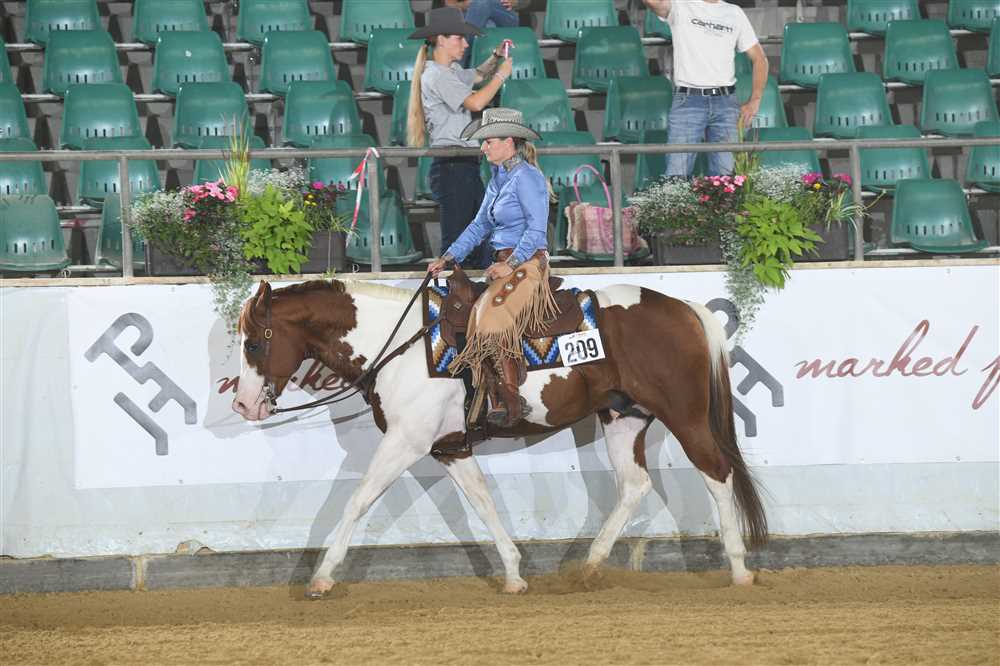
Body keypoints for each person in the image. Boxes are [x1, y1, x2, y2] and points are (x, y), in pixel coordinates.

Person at [427, 107, 556, 428]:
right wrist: (448, 257)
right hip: (504, 261)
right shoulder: (499, 179)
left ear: (509, 142)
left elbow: (537, 229)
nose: (483, 147)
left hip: (528, 262)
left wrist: (510, 264)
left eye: (489, 141)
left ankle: (509, 396)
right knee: (474, 312)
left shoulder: (527, 177)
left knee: (492, 316)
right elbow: (479, 225)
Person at [407, 7, 514, 269]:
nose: (465, 43)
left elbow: (477, 75)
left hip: (461, 163)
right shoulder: (438, 75)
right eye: (459, 37)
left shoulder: (449, 71)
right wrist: (502, 74)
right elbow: (476, 102)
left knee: (474, 237)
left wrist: (495, 57)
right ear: (441, 40)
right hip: (453, 164)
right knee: (459, 240)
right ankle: (448, 290)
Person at [643, 0, 769, 177]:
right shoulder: (680, 5)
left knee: (726, 180)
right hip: (688, 101)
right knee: (676, 176)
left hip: (726, 103)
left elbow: (760, 59)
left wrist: (755, 101)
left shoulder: (734, 12)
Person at [444, 0, 522, 67]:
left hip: (506, 15)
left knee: (481, 3)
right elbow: (449, 3)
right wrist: (466, 4)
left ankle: (456, 65)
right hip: (475, 16)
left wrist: (518, 2)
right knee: (488, 25)